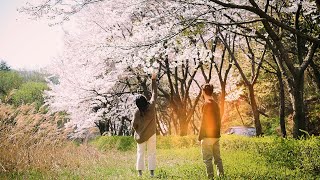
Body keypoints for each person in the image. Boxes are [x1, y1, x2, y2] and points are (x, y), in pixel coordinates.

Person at [132, 72, 157, 177]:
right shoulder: (151, 106)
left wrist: (138, 129)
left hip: (140, 136)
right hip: (151, 134)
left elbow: (134, 125)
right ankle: (151, 173)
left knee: (140, 153)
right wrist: (153, 80)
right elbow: (154, 93)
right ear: (145, 99)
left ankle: (140, 174)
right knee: (151, 153)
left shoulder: (137, 112)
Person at [198, 83, 224, 179]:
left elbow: (203, 122)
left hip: (207, 136)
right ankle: (221, 176)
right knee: (218, 159)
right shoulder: (216, 105)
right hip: (216, 136)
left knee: (208, 160)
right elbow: (218, 120)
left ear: (203, 92)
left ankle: (211, 178)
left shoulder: (206, 104)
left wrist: (200, 137)